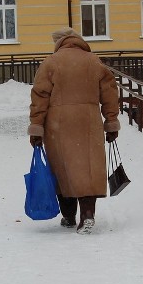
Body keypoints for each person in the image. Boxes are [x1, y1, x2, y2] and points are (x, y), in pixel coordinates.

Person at [28, 27, 120, 235]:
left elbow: (39, 97)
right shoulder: (93, 61)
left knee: (63, 169)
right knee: (87, 169)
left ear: (59, 43)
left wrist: (36, 127)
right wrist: (111, 121)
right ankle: (87, 214)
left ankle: (69, 216)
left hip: (58, 124)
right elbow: (109, 93)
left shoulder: (51, 62)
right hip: (89, 122)